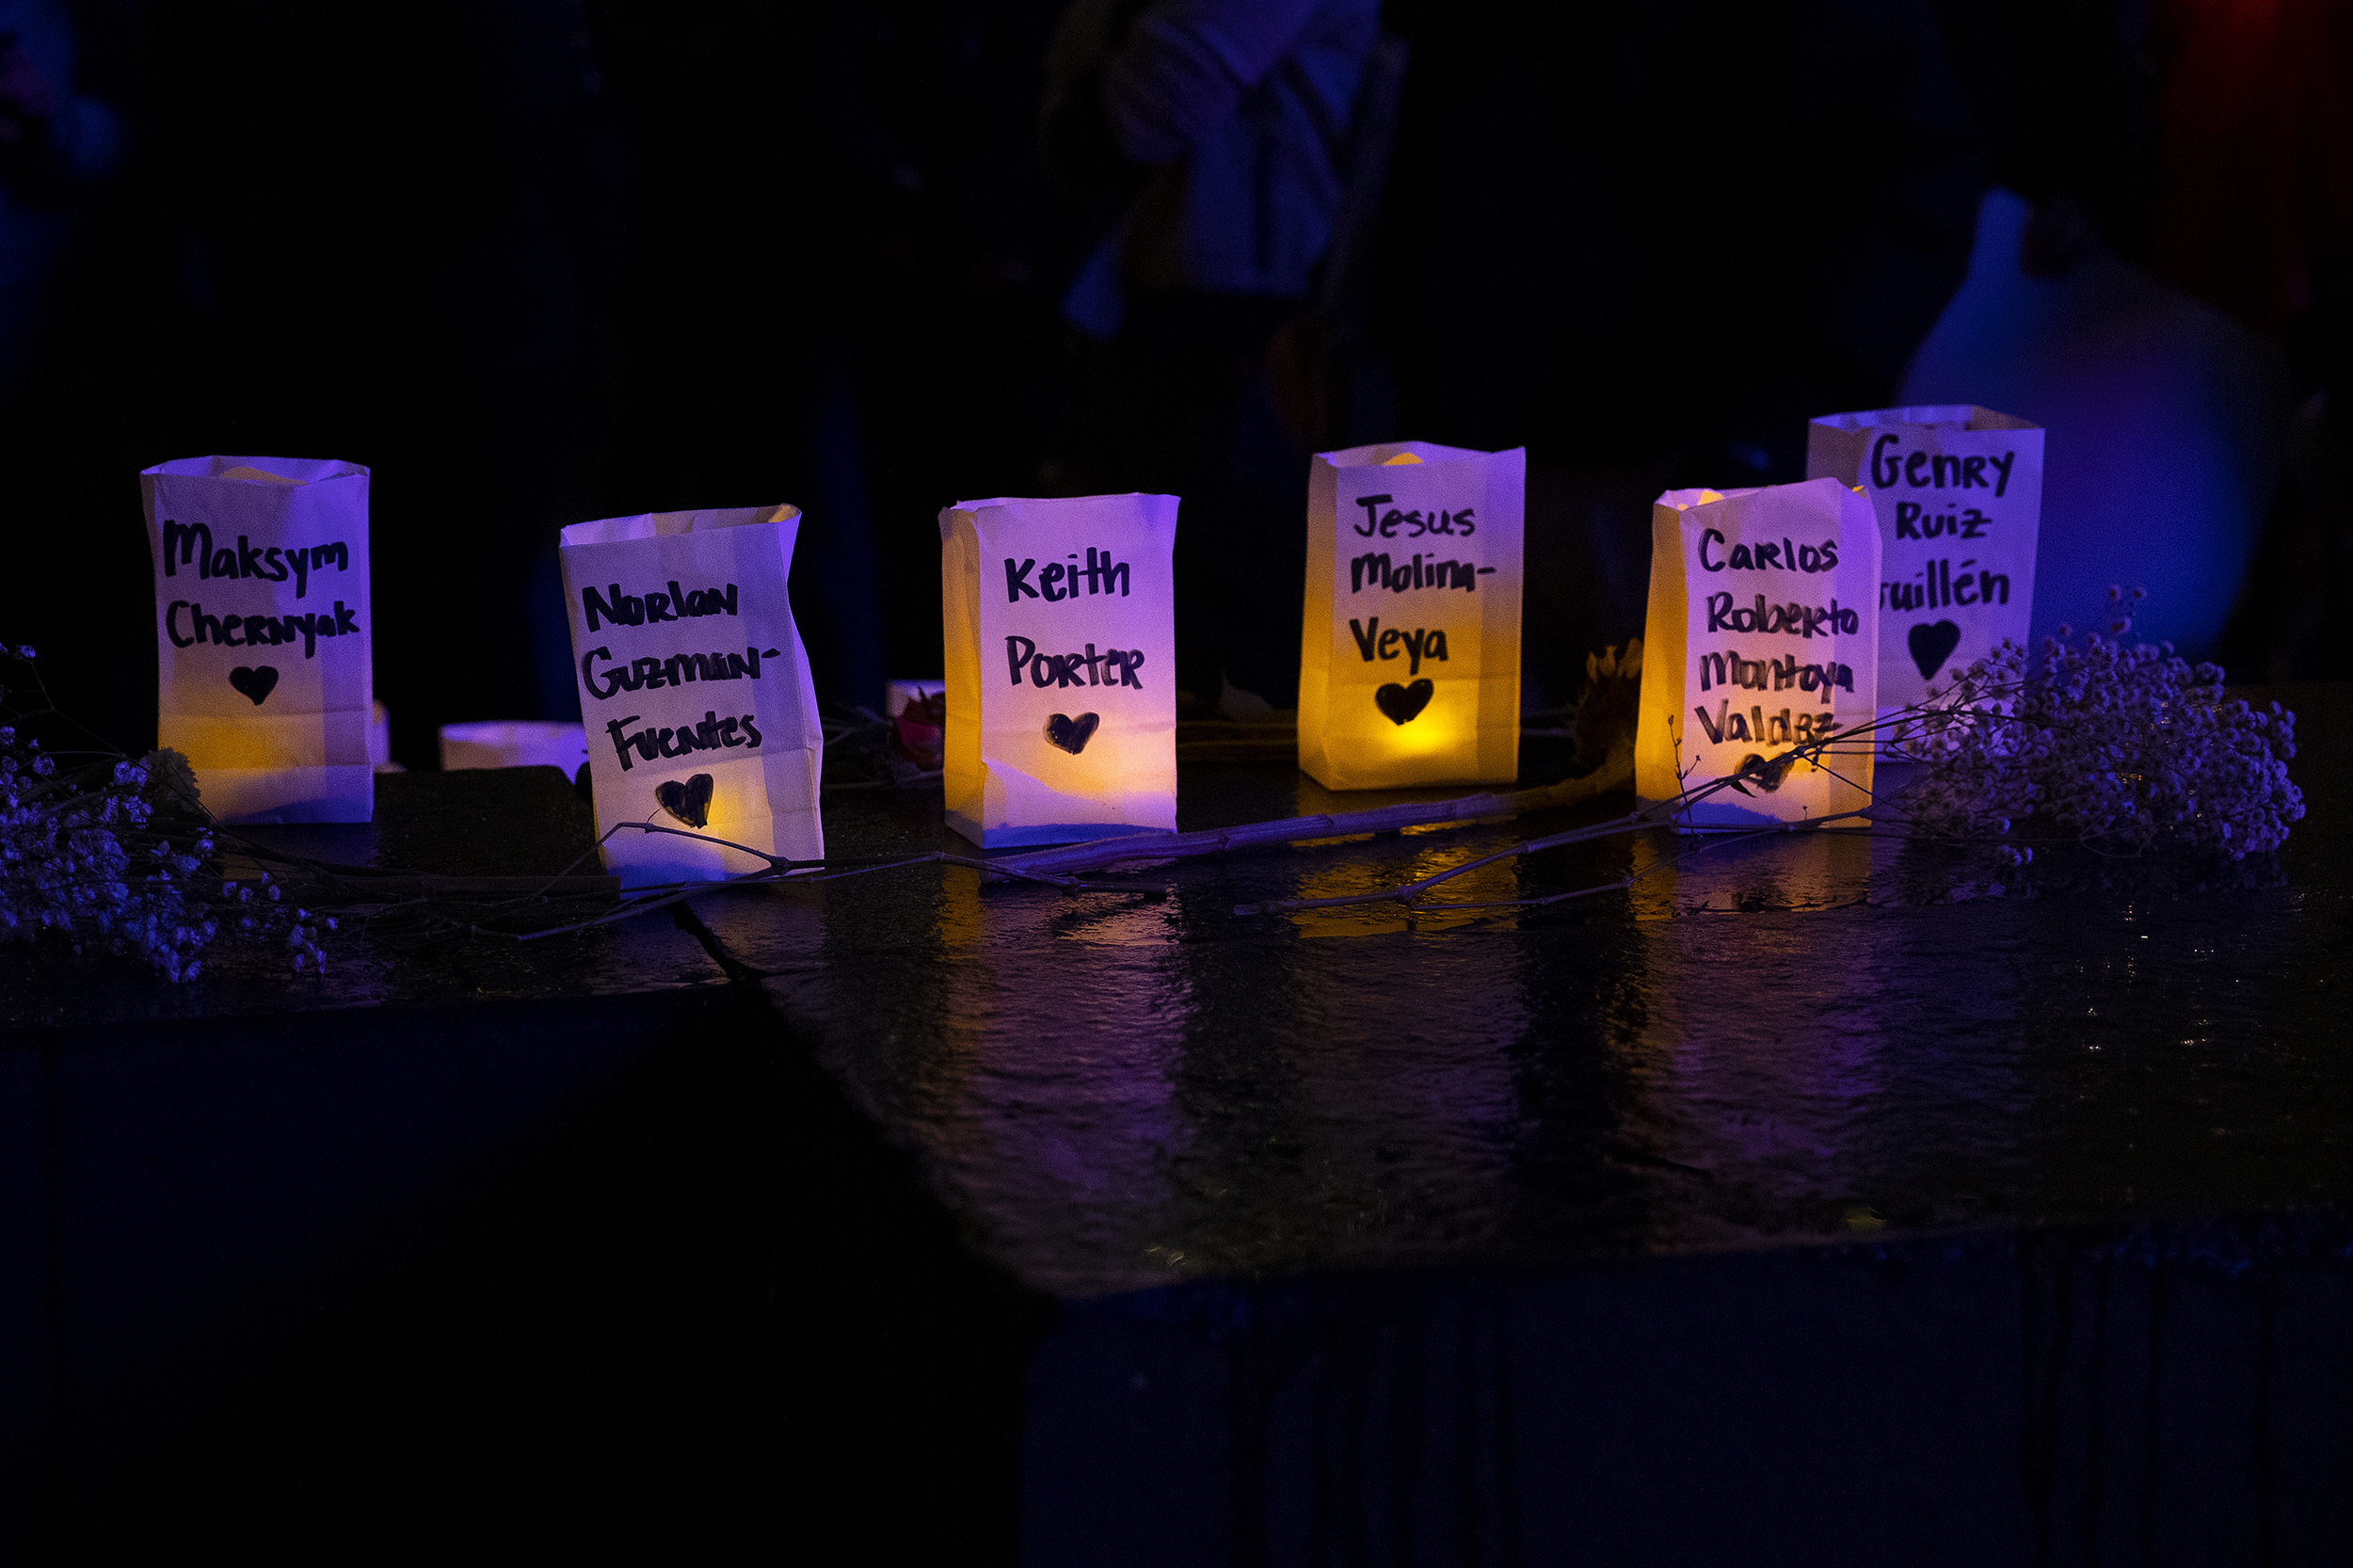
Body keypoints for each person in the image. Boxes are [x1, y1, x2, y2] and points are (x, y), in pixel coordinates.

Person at [1041, 0, 1388, 712]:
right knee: (1173, 640)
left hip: (1248, 316)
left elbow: (1147, 108)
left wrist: (1084, 86)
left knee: (1233, 646)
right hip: (1200, 305)